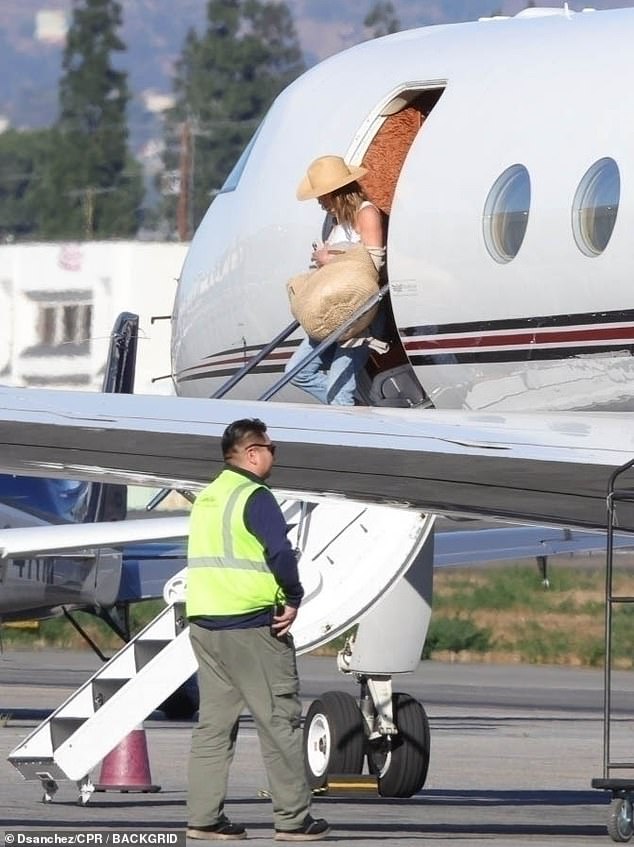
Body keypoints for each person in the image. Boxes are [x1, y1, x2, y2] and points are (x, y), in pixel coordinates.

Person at [185, 418, 329, 842]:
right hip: (251, 626)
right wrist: (294, 595)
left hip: (205, 625)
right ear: (251, 453)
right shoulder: (255, 495)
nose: (274, 456)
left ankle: (204, 819)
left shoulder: (208, 497)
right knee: (279, 722)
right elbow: (280, 553)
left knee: (213, 727)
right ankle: (293, 820)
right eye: (271, 448)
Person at [285, 155, 386, 406]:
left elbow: (374, 265)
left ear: (337, 193)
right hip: (332, 310)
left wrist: (327, 259)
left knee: (338, 392)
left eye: (322, 195)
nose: (319, 202)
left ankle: (348, 414)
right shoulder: (338, 222)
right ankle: (353, 411)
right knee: (296, 372)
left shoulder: (367, 214)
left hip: (358, 313)